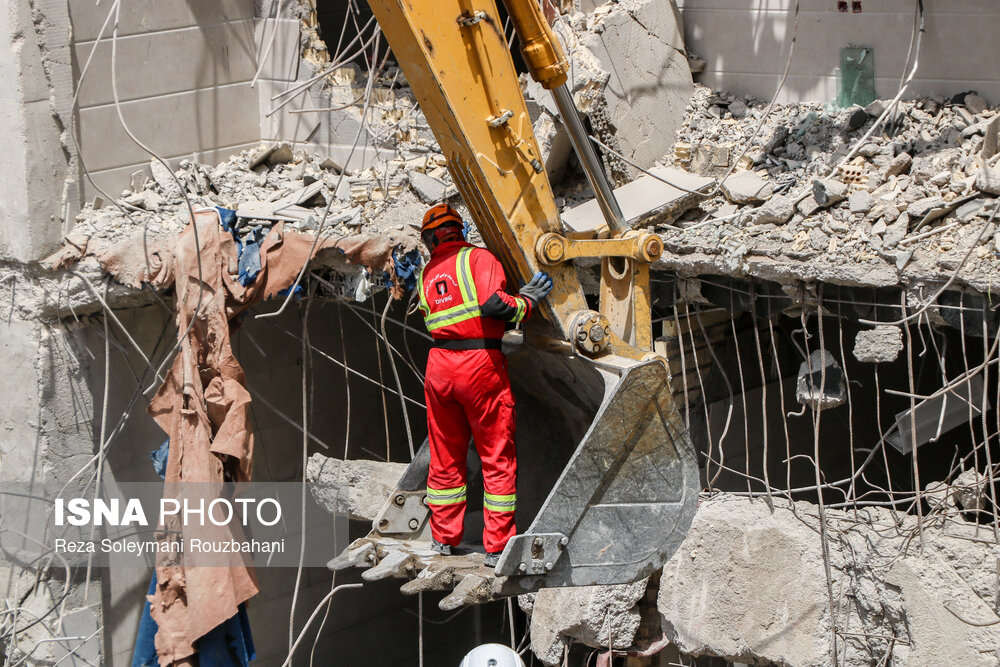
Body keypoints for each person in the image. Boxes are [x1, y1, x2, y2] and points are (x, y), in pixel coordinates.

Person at [416, 203, 553, 567]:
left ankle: (443, 538)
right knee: (496, 456)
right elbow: (494, 305)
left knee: (445, 455)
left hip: (439, 366)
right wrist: (526, 302)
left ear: (430, 240)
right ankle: (497, 546)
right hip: (478, 366)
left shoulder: (427, 273)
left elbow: (443, 316)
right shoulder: (478, 258)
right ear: (459, 231)